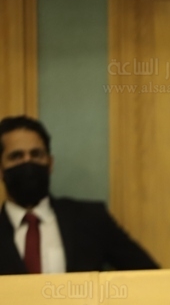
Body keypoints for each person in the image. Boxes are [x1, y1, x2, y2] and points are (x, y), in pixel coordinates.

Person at [0, 115, 159, 274]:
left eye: (36, 154)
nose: (28, 162)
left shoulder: (91, 220)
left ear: (50, 163)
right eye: (16, 156)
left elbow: (150, 275)